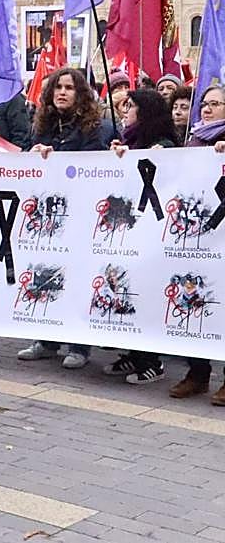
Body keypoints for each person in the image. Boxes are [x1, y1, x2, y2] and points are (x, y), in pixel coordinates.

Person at [17, 67, 114, 368]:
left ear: (80, 93)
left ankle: (79, 345)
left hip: (81, 214)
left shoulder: (95, 127)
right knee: (46, 272)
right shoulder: (43, 125)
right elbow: (25, 160)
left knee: (79, 277)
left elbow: (95, 166)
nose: (62, 92)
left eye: (69, 87)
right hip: (50, 215)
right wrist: (33, 152)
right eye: (58, 87)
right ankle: (46, 339)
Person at [103, 88, 177, 385]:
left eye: (130, 106)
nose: (124, 111)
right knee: (127, 289)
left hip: (153, 233)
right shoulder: (131, 141)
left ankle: (152, 361)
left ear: (144, 112)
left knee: (146, 292)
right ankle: (134, 353)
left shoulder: (163, 145)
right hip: (129, 231)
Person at [172, 84, 225, 404]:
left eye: (215, 104)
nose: (206, 109)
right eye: (204, 104)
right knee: (197, 301)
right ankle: (197, 373)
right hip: (198, 236)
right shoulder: (192, 138)